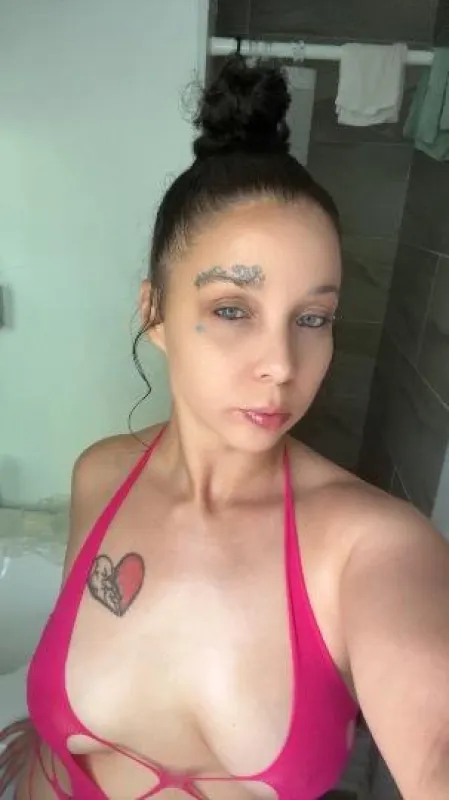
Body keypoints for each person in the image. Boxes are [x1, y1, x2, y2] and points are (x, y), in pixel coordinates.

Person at [1, 55, 449, 800]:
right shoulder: (100, 475)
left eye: (313, 318)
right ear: (155, 314)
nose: (281, 364)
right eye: (233, 310)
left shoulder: (373, 547)